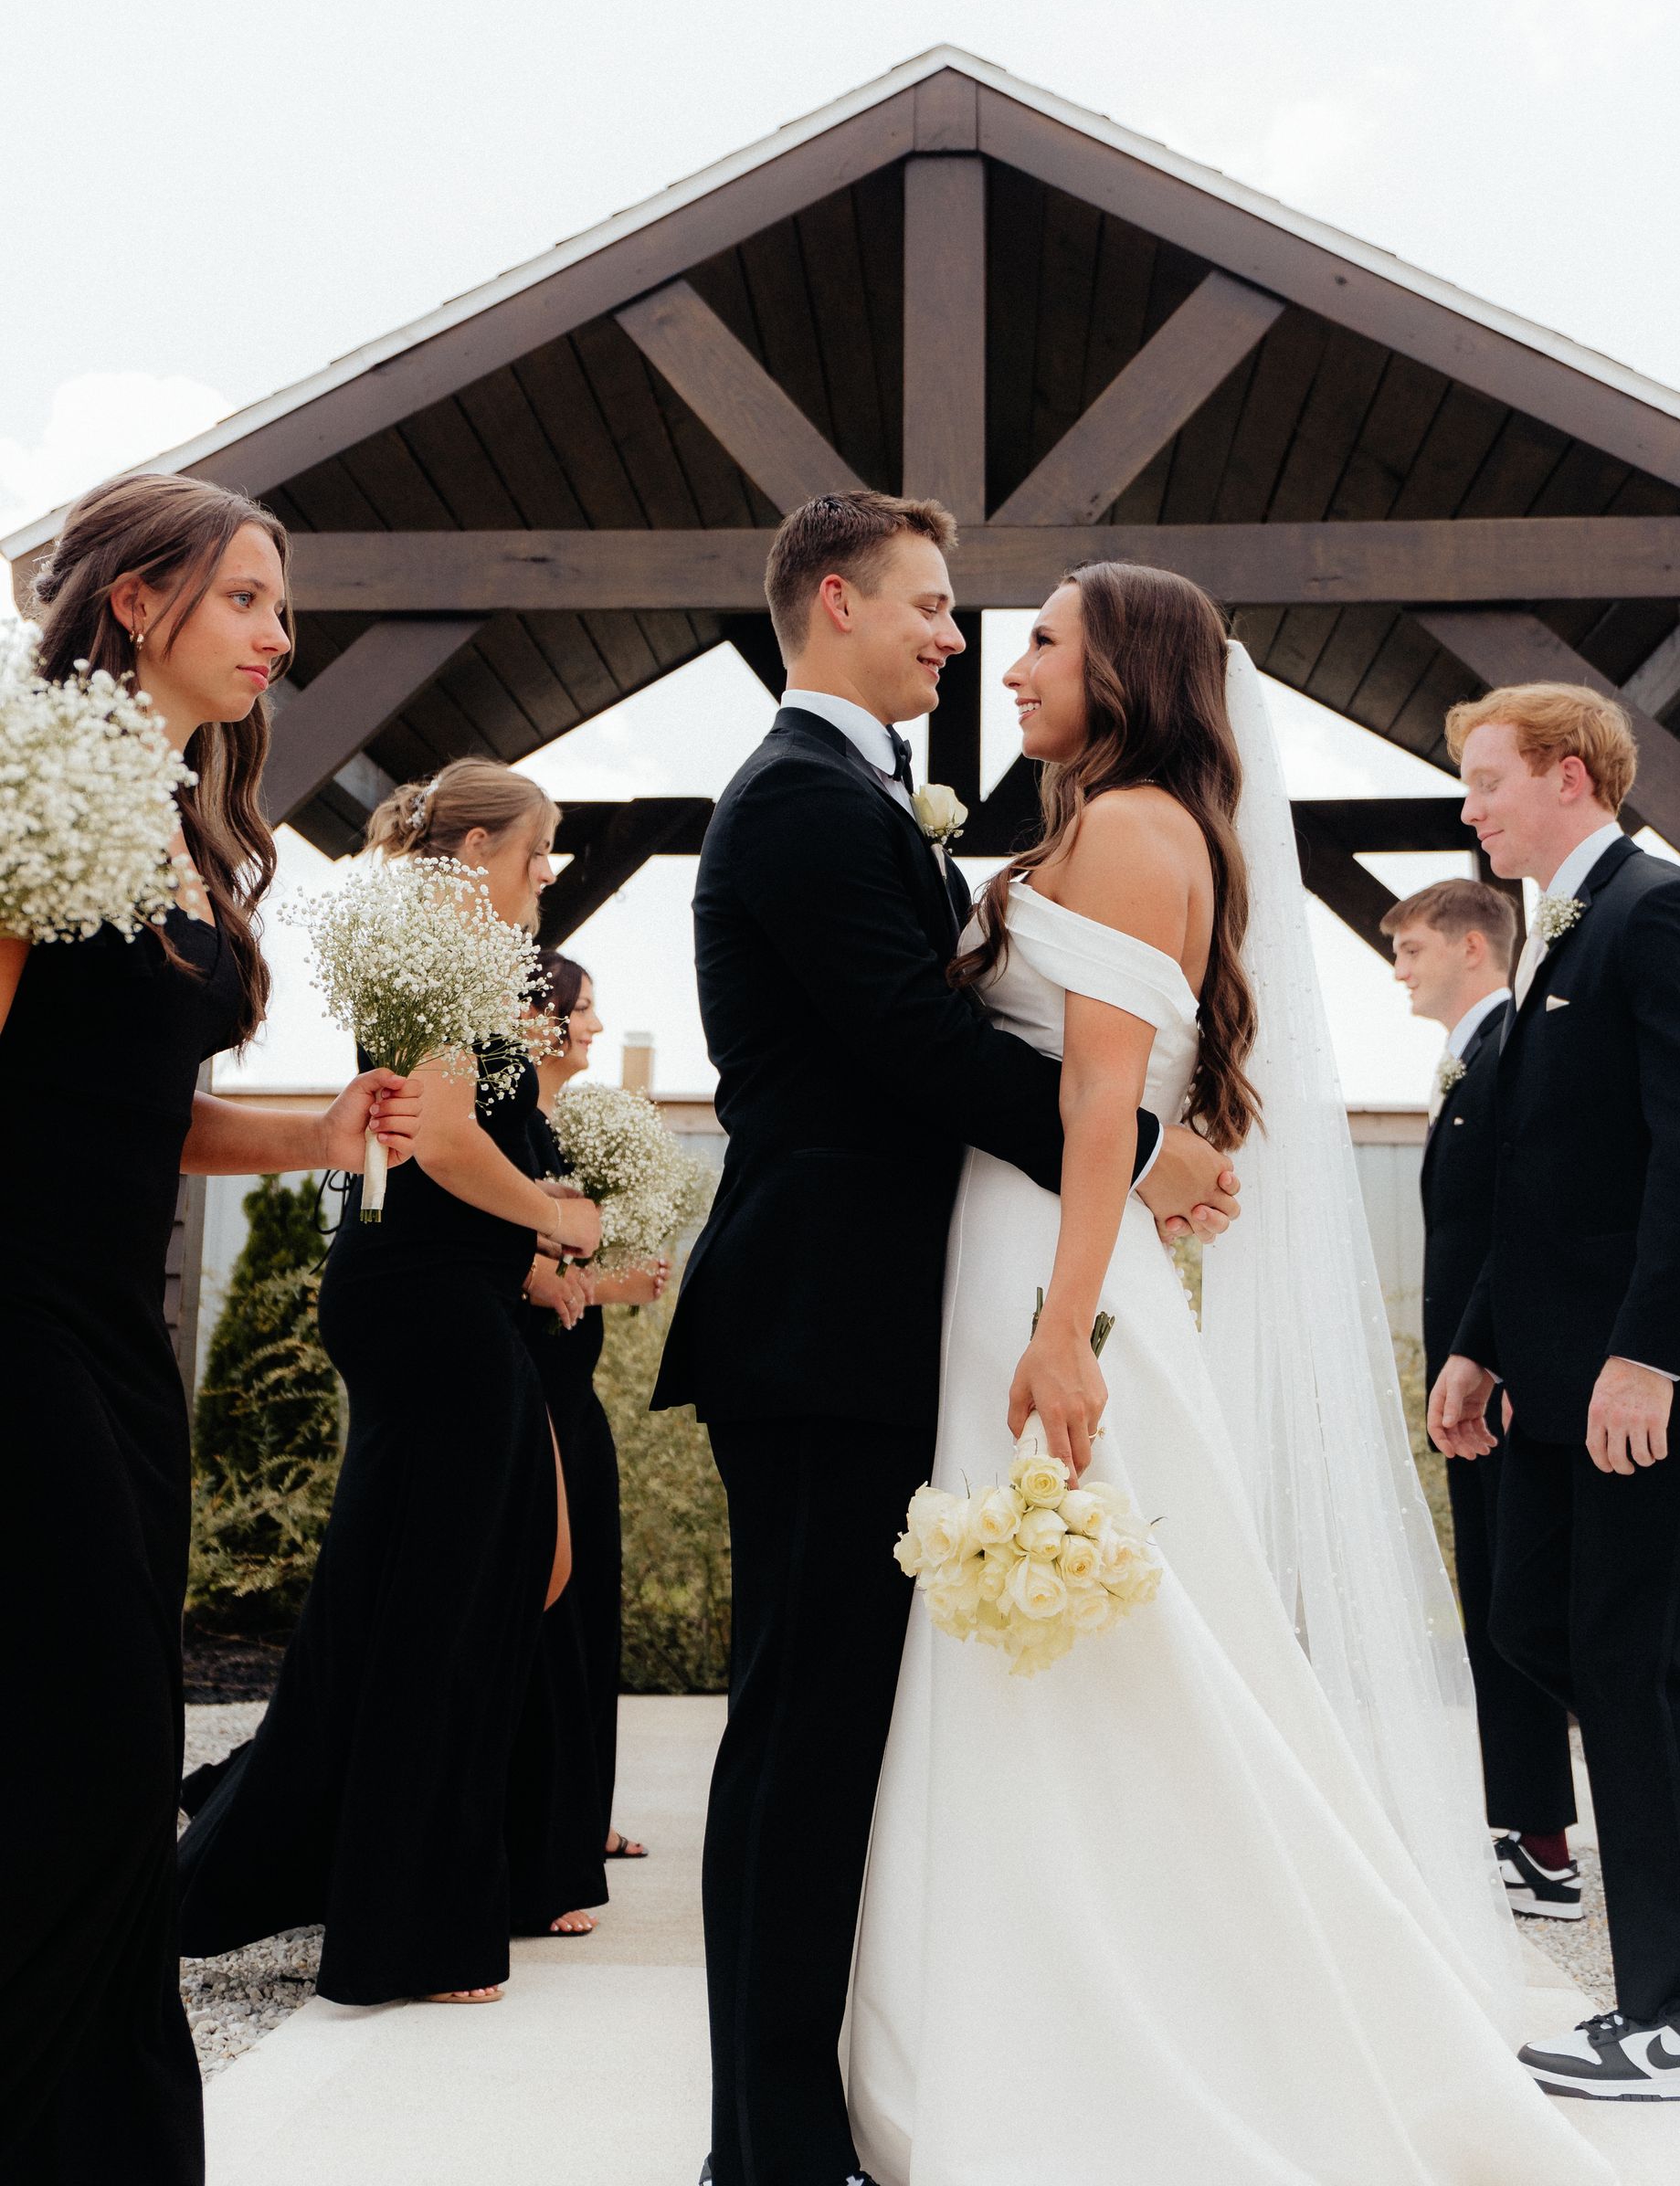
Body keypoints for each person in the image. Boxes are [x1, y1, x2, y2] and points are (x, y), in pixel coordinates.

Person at [844, 565, 1611, 2186]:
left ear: (1124, 665)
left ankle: (1129, 2025)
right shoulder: (1101, 823)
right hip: (1028, 1258)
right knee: (1077, 1633)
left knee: (1108, 1636)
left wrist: (1062, 1333)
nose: (1013, 662)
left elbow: (1094, 1104)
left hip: (1054, 1276)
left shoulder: (1131, 833)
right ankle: (1010, 1988)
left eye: (1042, 638)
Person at [653, 493, 1242, 2186]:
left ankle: (813, 2107)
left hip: (870, 1314)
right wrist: (1138, 1152)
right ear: (835, 601)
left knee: (839, 1732)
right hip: (820, 1319)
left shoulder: (858, 799)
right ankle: (766, 2144)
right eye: (928, 604)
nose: (956, 636)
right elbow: (916, 1044)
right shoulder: (801, 799)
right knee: (798, 1738)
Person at [0, 470, 421, 2183]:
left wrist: (314, 1133)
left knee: (113, 1746)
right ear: (132, 603)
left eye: (280, 607)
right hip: (12, 1322)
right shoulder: (33, 792)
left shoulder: (180, 818)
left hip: (114, 1340)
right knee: (77, 1744)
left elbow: (133, 1106)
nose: (278, 634)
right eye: (245, 598)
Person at [176, 759, 605, 2004]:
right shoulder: (439, 948)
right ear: (474, 854)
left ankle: (285, 1864)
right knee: (442, 1615)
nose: (548, 870)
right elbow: (446, 1138)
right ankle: (401, 1930)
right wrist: (554, 1221)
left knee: (433, 1602)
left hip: (443, 1300)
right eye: (539, 848)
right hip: (428, 1309)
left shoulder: (454, 949)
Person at [1430, 682, 1680, 2103]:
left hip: (1649, 1377)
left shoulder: (1659, 913)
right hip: (1553, 1377)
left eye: (1487, 781)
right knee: (1539, 1628)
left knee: (1637, 1662)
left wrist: (1651, 1354)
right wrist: (1480, 1343)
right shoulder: (1557, 935)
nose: (1469, 808)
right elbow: (1538, 1182)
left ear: (1569, 774)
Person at [1385, 879, 1581, 1921]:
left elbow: (1519, 1226)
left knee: (1519, 1610)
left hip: (1505, 1378)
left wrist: (1486, 1358)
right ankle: (1530, 1830)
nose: (1400, 968)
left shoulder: (1510, 1054)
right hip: (1475, 1380)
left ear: (1473, 945)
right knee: (1500, 1605)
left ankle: (1545, 1838)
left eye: (1413, 948)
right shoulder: (1468, 1061)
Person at [514, 945, 668, 1905]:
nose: (595, 1028)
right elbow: (525, 1275)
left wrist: (612, 1276)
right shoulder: (512, 1137)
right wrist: (597, 1278)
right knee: (549, 1610)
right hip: (528, 1393)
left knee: (591, 1612)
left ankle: (580, 1810)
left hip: (578, 1398)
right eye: (582, 1010)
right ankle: (546, 1829)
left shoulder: (556, 1136)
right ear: (538, 1016)